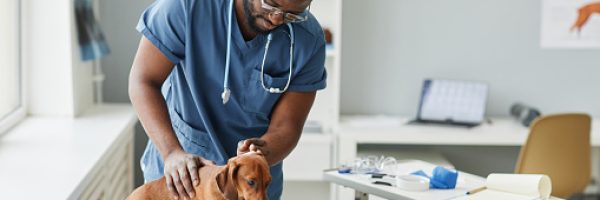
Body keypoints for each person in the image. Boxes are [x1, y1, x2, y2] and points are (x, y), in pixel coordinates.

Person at [128, 0, 327, 199]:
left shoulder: (308, 40)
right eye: (270, 4)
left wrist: (262, 151)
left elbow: (287, 125)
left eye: (291, 14)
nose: (276, 18)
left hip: (252, 187)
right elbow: (143, 81)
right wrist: (171, 152)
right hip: (183, 181)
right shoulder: (186, 7)